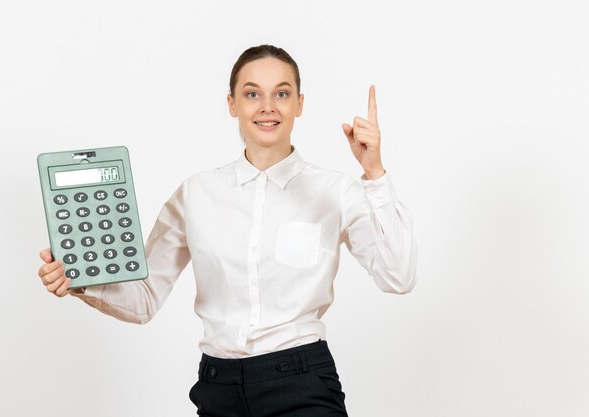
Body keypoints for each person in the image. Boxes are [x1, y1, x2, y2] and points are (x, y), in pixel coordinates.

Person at [37, 44, 418, 417]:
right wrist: (81, 279)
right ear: (232, 104)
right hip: (217, 387)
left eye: (281, 93)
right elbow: (145, 298)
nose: (267, 106)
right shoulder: (196, 193)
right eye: (252, 93)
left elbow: (398, 276)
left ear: (299, 104)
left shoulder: (335, 191)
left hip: (301, 381)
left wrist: (374, 173)